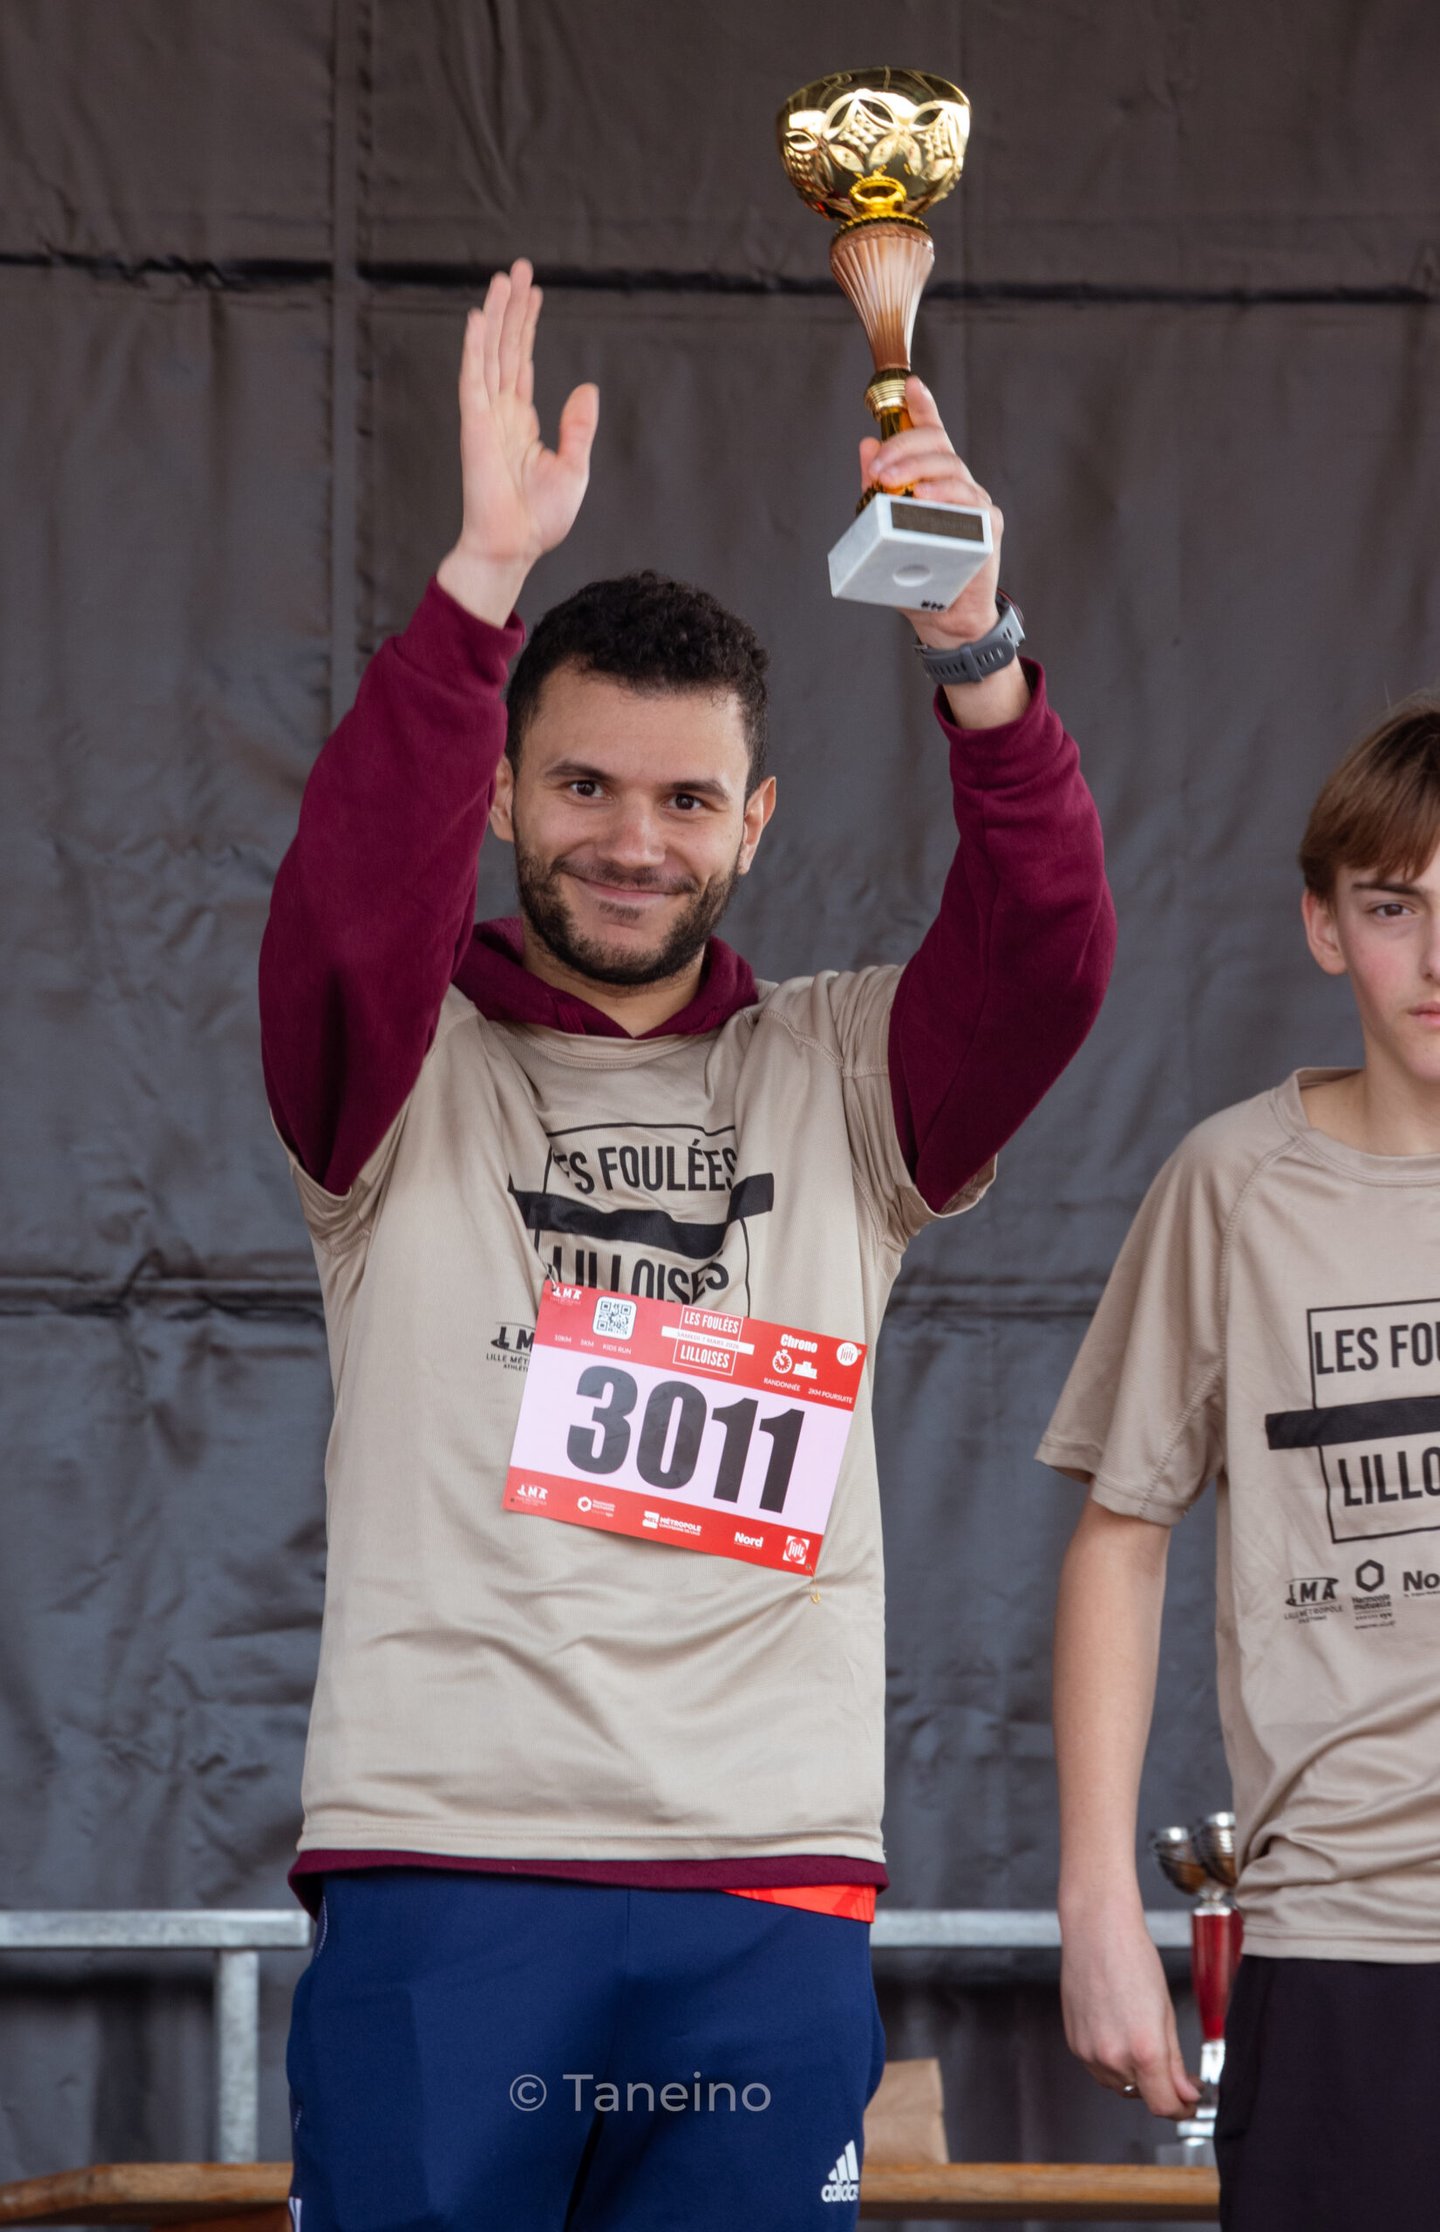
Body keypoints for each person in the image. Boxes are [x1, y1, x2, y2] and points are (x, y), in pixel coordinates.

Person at [261, 258, 1114, 2232]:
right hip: (450, 1879)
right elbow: (342, 910)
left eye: (682, 798)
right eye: (579, 786)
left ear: (755, 821)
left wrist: (974, 644)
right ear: (499, 798)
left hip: (764, 1893)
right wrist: (480, 585)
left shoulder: (844, 1074)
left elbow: (1049, 957)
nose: (630, 840)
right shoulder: (392, 1070)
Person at [1042, 701, 1440, 2229]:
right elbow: (1121, 1535)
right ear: (1325, 926)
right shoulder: (1234, 1185)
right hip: (1342, 1949)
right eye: (1395, 908)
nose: (1436, 958)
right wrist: (1097, 1903)